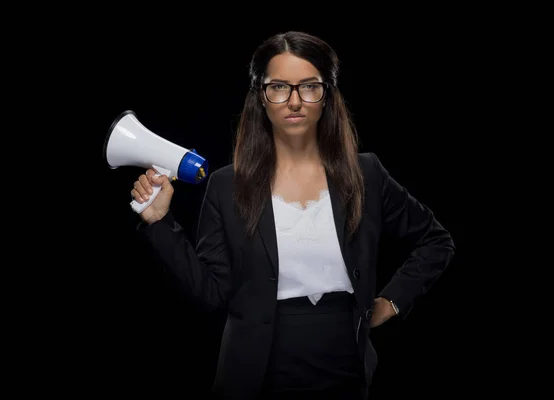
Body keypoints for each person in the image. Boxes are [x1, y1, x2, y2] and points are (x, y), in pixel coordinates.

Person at [131, 31, 455, 399]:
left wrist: (392, 301)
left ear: (327, 97)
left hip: (345, 363)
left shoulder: (366, 173)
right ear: (261, 98)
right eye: (280, 87)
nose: (295, 101)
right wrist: (159, 222)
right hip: (257, 370)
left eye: (310, 87)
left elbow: (436, 241)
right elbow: (211, 292)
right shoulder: (226, 185)